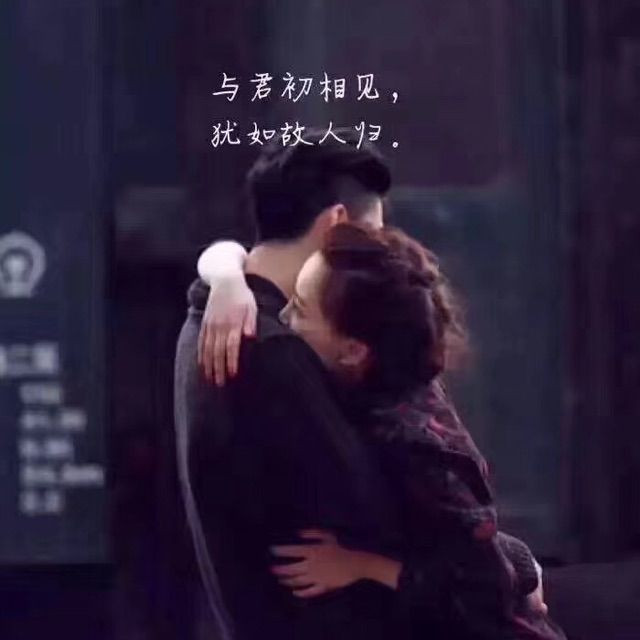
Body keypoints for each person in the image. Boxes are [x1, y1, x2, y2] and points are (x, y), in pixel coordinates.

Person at [174, 129, 406, 640]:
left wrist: (224, 270)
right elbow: (380, 511)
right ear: (336, 223)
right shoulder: (272, 351)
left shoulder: (209, 318)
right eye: (372, 234)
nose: (377, 255)